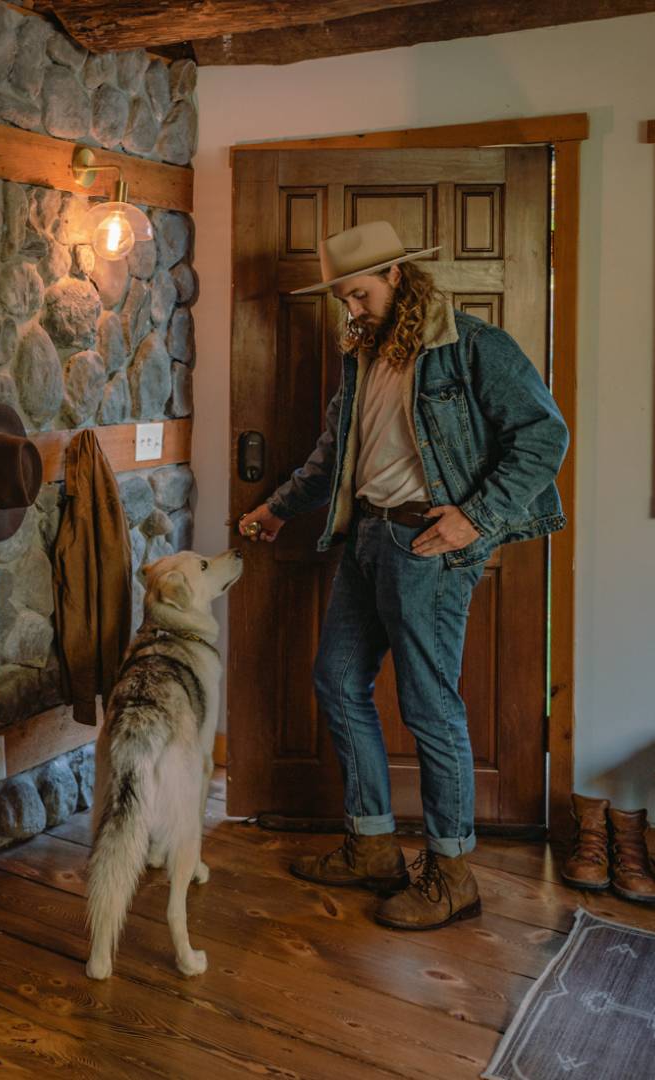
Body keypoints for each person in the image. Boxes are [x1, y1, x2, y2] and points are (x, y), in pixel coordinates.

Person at [239, 220, 568, 930]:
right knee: (336, 678)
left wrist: (475, 517)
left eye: (358, 295)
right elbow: (334, 453)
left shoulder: (474, 347)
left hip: (427, 546)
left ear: (396, 278)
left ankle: (451, 874)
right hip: (365, 538)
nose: (350, 311)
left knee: (427, 705)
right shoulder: (363, 360)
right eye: (342, 300)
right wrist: (276, 507)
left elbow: (546, 435)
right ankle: (374, 847)